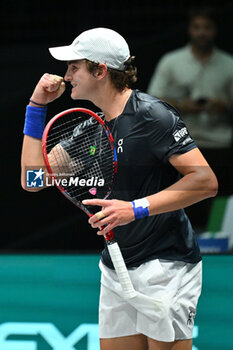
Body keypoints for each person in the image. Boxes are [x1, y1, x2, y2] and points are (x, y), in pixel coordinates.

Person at [21, 28, 218, 350]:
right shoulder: (90, 128)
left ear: (100, 71)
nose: (67, 75)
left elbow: (205, 182)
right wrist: (36, 106)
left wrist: (134, 208)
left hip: (166, 265)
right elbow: (33, 179)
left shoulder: (152, 116)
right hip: (117, 265)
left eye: (74, 67)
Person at [147, 6, 233, 204]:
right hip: (181, 144)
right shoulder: (171, 61)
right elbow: (152, 100)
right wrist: (182, 105)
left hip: (220, 144)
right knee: (184, 206)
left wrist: (224, 106)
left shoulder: (229, 64)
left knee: (220, 207)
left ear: (215, 30)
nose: (202, 32)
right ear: (189, 29)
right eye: (197, 27)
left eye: (207, 27)